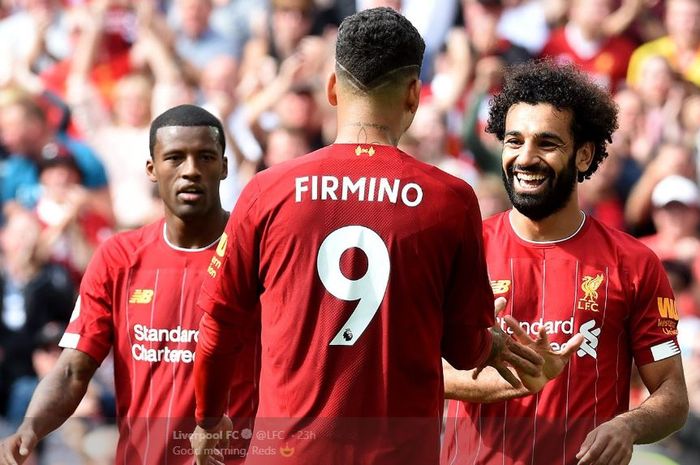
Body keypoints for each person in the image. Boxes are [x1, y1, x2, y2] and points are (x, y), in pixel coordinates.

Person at [190, 7, 544, 465]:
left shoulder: (266, 190)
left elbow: (217, 328)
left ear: (332, 88)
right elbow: (463, 349)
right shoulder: (451, 199)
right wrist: (494, 344)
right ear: (414, 95)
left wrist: (207, 419)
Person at [441, 60, 689, 465]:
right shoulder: (461, 249)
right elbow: (423, 373)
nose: (525, 158)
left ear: (584, 154)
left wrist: (628, 425)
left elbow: (673, 396)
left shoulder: (634, 263)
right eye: (514, 141)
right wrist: (515, 381)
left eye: (547, 143)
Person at [0, 105, 258, 465]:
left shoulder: (258, 253)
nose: (191, 171)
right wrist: (30, 428)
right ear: (152, 169)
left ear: (224, 167)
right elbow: (75, 368)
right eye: (174, 158)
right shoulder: (118, 257)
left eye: (205, 157)